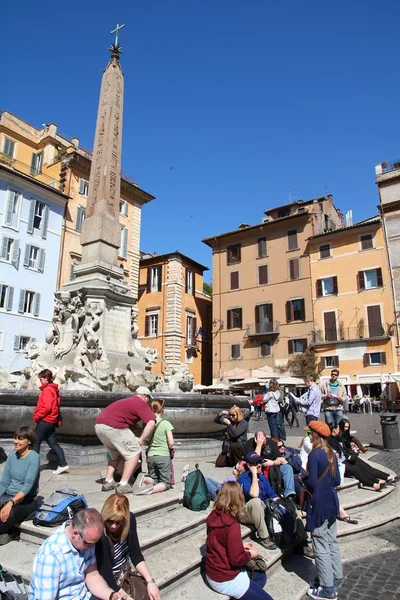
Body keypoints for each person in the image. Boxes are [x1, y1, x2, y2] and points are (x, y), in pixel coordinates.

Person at [29, 508, 134, 600]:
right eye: (88, 543)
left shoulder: (86, 541)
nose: (91, 547)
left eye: (94, 543)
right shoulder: (51, 556)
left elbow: (92, 576)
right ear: (75, 533)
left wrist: (110, 595)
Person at [205, 480, 274, 600]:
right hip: (224, 578)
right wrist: (251, 554)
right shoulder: (232, 525)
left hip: (212, 572)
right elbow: (236, 559)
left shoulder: (213, 516)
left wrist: (239, 545)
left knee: (260, 577)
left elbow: (218, 542)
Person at [95, 494, 160, 600]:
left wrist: (150, 581)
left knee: (152, 593)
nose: (113, 526)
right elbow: (106, 577)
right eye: (110, 521)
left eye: (118, 522)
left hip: (124, 572)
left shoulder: (130, 520)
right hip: (108, 581)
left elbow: (136, 554)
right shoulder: (101, 536)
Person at [305, 421, 343, 600]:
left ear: (316, 435)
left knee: (320, 545)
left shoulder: (314, 454)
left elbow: (312, 482)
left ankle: (327, 589)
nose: (309, 435)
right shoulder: (331, 454)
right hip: (332, 502)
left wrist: (302, 478)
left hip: (319, 503)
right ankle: (335, 576)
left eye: (310, 433)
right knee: (332, 541)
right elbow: (337, 481)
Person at [95, 387, 156, 494]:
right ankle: (124, 484)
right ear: (145, 396)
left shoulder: (125, 401)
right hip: (115, 426)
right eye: (148, 399)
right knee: (134, 453)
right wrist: (141, 439)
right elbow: (151, 422)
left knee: (114, 454)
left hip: (99, 426)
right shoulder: (140, 402)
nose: (148, 402)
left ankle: (108, 481)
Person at [0, 426, 40, 545]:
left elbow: (27, 485)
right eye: (15, 438)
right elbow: (4, 483)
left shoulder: (34, 457)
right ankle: (8, 533)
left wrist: (10, 503)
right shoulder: (12, 456)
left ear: (29, 441)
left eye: (20, 439)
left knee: (9, 514)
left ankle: (10, 533)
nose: (16, 441)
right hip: (8, 496)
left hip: (25, 500)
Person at [337, 419, 394, 491]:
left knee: (366, 467)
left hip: (349, 457)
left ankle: (387, 476)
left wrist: (353, 450)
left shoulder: (344, 436)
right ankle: (376, 482)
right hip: (344, 459)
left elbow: (347, 448)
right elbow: (342, 451)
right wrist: (353, 452)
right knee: (358, 470)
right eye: (345, 427)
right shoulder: (337, 438)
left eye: (348, 427)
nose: (346, 429)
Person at [237, 453, 279, 550]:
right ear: (249, 466)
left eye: (260, 461)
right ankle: (264, 537)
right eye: (255, 463)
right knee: (256, 501)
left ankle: (301, 542)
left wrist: (284, 505)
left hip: (261, 511)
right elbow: (254, 494)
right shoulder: (243, 478)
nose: (259, 464)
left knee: (287, 506)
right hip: (245, 512)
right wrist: (254, 475)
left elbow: (272, 495)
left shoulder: (263, 477)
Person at [32, 369, 69, 475]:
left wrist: (37, 416)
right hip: (51, 420)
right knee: (52, 442)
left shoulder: (48, 390)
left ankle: (33, 467)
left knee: (36, 442)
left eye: (42, 378)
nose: (40, 380)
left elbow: (47, 407)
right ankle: (63, 464)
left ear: (47, 378)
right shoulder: (53, 389)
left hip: (45, 420)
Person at [244, 431, 296, 500]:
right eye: (259, 439)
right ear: (255, 439)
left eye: (263, 439)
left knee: (287, 468)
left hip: (273, 465)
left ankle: (289, 493)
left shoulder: (271, 443)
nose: (262, 441)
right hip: (258, 468)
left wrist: (273, 462)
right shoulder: (249, 444)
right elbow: (254, 461)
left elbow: (279, 459)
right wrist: (259, 445)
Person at [138, 399, 174, 495]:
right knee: (166, 482)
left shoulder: (148, 424)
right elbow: (171, 442)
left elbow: (145, 441)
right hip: (163, 456)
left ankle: (144, 479)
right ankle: (150, 490)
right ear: (162, 410)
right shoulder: (166, 423)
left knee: (154, 479)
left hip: (150, 456)